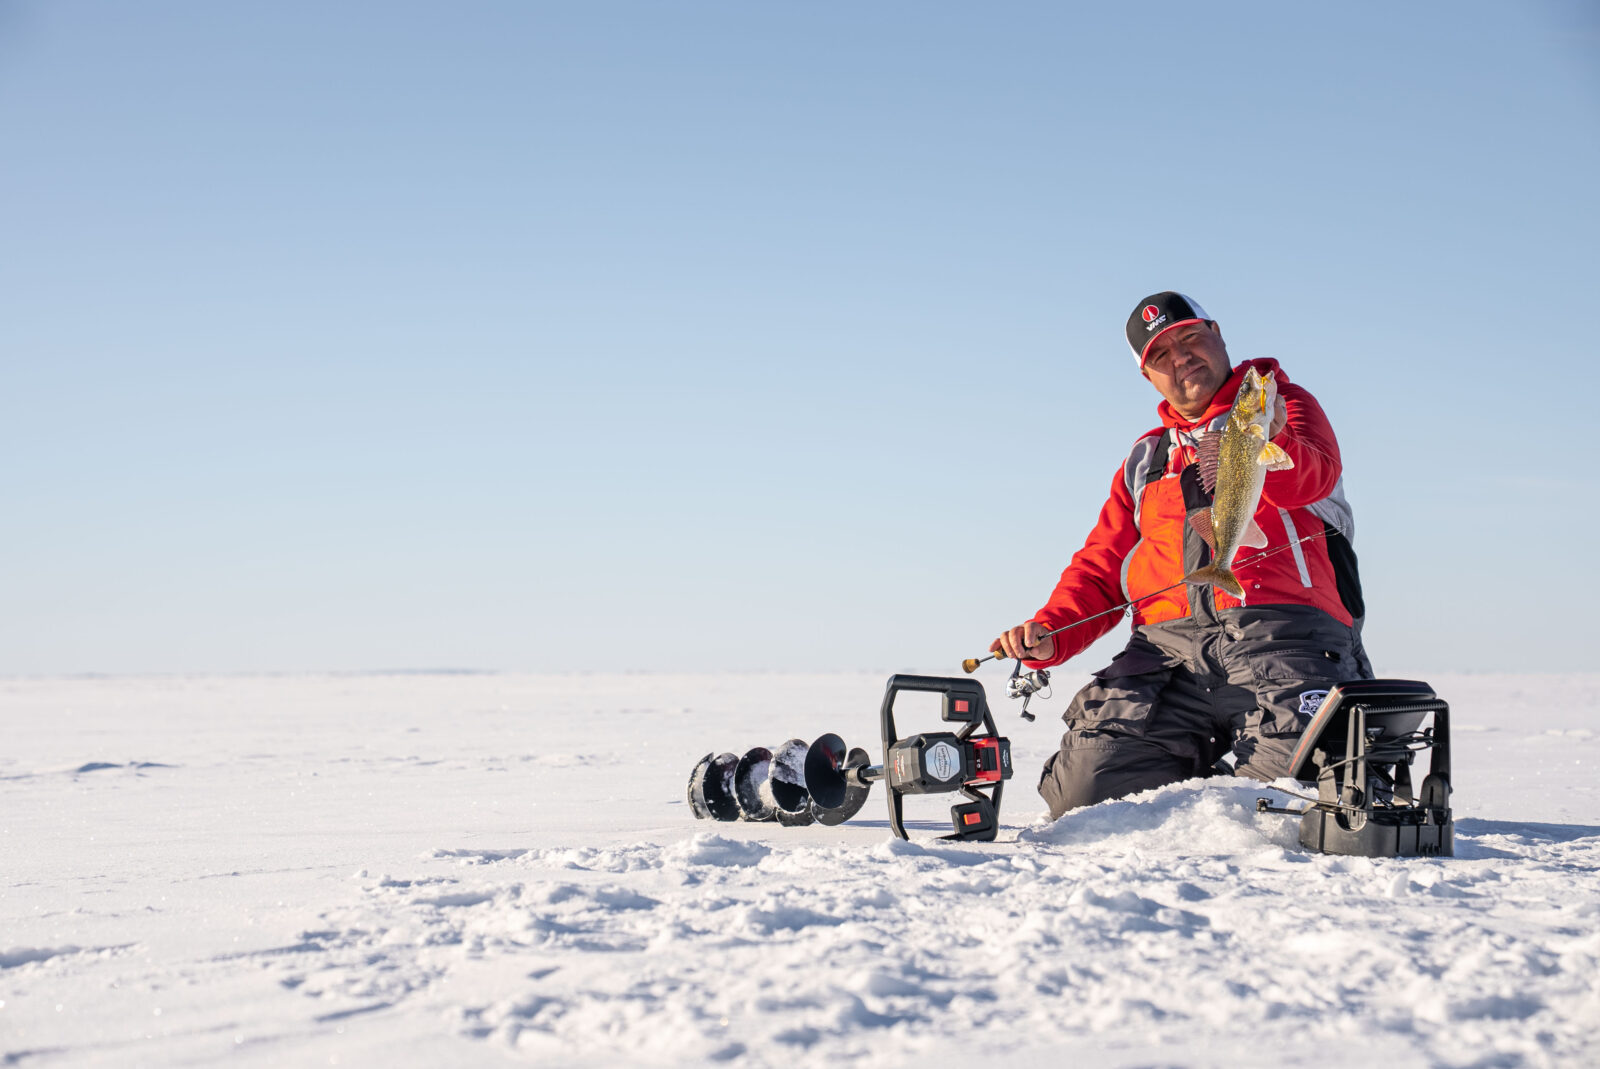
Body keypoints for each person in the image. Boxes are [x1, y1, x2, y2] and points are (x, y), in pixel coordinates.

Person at [990, 292, 1370, 820]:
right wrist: (1051, 630)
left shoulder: (1281, 404)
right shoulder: (1147, 459)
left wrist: (1270, 431)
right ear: (1149, 376)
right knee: (1086, 803)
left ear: (1217, 334)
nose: (1181, 357)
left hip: (1285, 640)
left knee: (1289, 805)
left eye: (1190, 338)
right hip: (1164, 656)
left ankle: (1221, 796)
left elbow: (1312, 478)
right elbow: (1102, 566)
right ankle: (1185, 779)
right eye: (1161, 354)